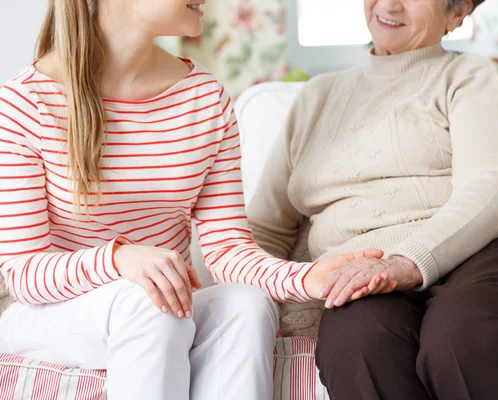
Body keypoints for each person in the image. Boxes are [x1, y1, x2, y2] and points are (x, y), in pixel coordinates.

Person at [0, 1, 381, 399]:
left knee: (247, 305)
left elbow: (228, 250)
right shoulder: (27, 102)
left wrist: (305, 277)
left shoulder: (204, 99)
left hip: (158, 312)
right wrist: (120, 260)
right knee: (149, 302)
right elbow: (25, 275)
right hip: (52, 314)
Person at [248, 0, 498, 399]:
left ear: (457, 12)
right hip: (372, 275)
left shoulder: (471, 77)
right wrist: (277, 301)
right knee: (356, 343)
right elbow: (264, 228)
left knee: (463, 332)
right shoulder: (316, 98)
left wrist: (407, 261)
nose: (389, 5)